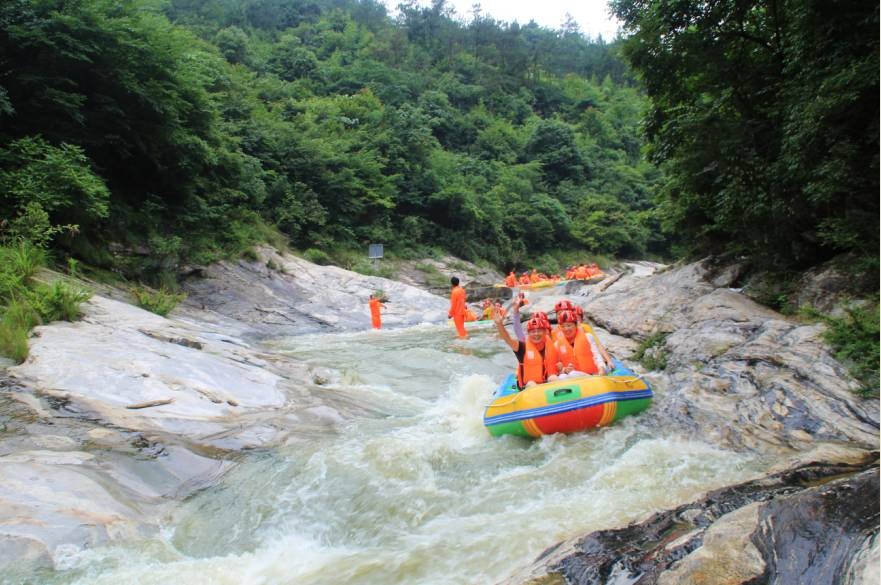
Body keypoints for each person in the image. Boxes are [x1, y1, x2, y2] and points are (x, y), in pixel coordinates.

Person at [493, 297, 559, 389]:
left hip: (547, 382)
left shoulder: (551, 343)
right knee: (532, 384)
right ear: (528, 333)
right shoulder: (522, 347)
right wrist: (499, 324)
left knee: (554, 377)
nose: (536, 334)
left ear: (545, 332)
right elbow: (508, 339)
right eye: (533, 331)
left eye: (539, 331)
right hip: (528, 386)